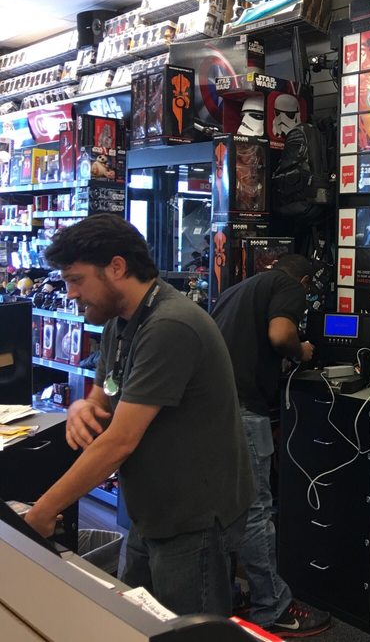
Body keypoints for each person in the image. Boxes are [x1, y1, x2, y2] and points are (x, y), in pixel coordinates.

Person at [25, 214, 253, 617]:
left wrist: (42, 512)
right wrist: (81, 406)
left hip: (192, 519)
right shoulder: (121, 321)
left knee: (188, 631)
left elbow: (119, 441)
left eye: (76, 279)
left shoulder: (170, 325)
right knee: (137, 620)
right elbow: (103, 399)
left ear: (116, 267)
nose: (70, 292)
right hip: (151, 511)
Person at [211, 253, 331, 637]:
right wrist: (301, 351)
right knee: (256, 509)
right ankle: (273, 608)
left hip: (212, 409)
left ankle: (225, 596)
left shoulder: (235, 291)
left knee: (223, 509)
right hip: (245, 408)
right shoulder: (288, 286)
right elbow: (281, 335)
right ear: (305, 282)